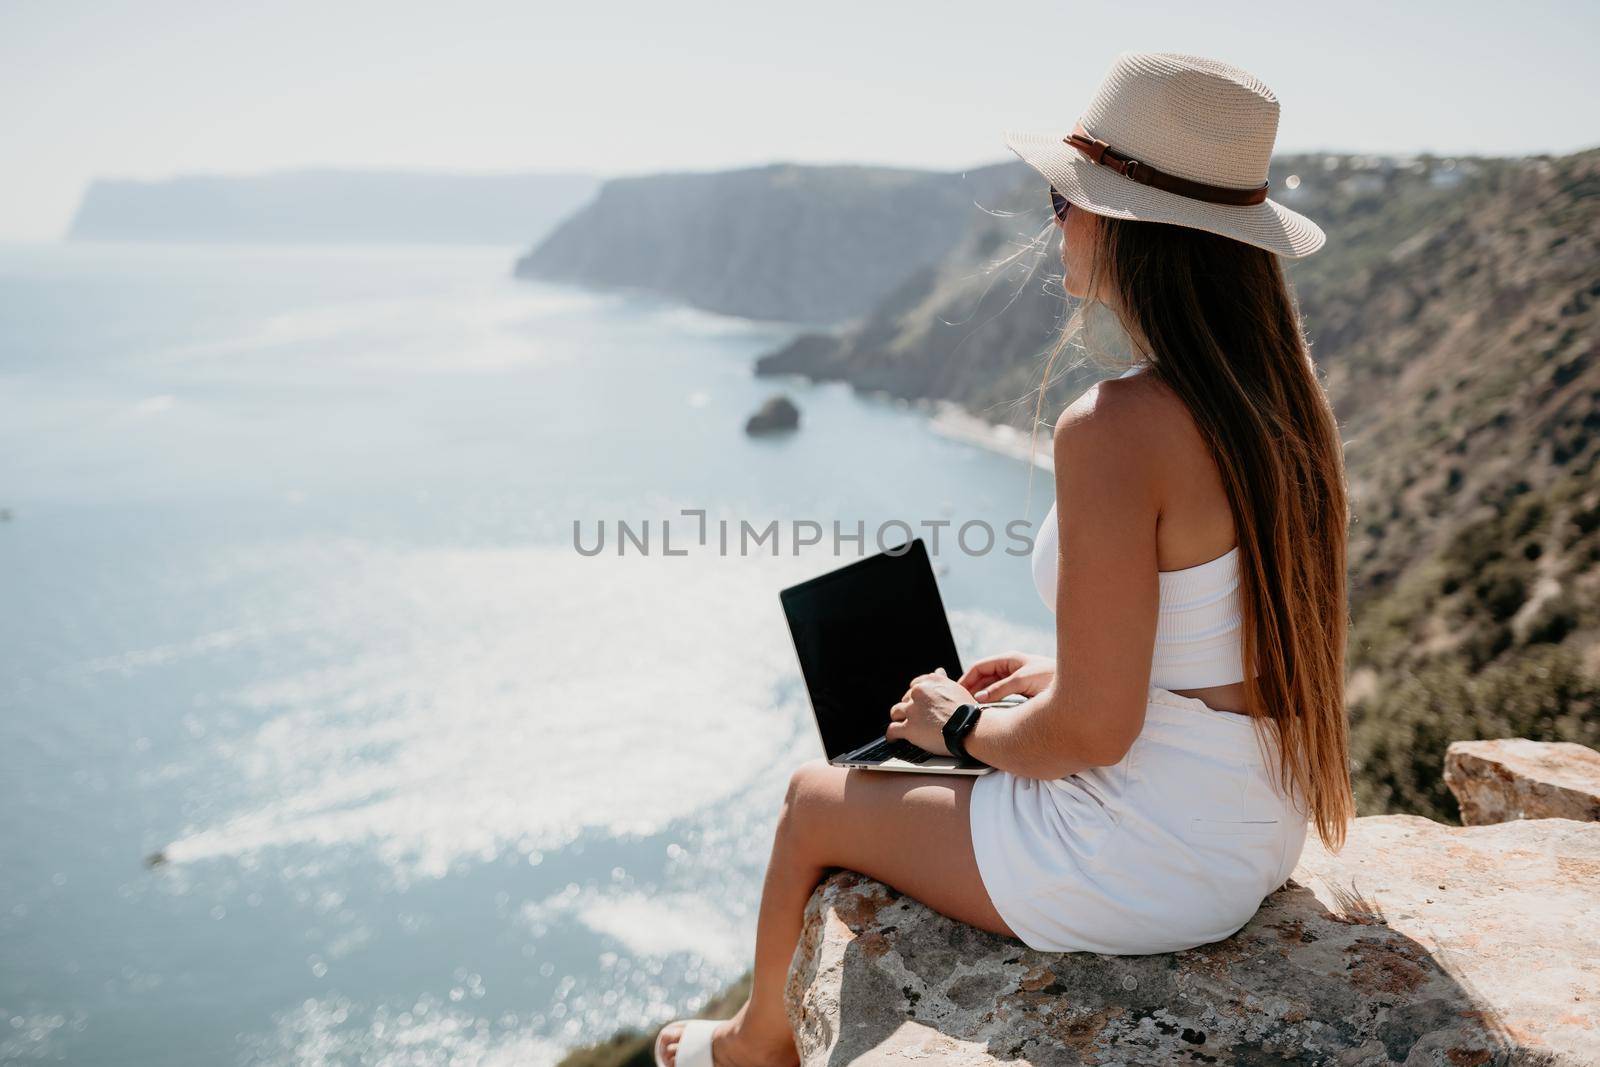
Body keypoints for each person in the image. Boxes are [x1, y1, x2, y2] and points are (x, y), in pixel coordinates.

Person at [656, 51, 1354, 1067]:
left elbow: (1093, 735)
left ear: (1126, 224)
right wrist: (1054, 679)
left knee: (814, 801)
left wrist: (963, 723)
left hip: (1147, 858)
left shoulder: (1114, 424)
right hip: (1253, 826)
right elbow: (1213, 646)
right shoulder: (1278, 400)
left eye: (1066, 200)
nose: (1055, 222)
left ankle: (759, 1038)